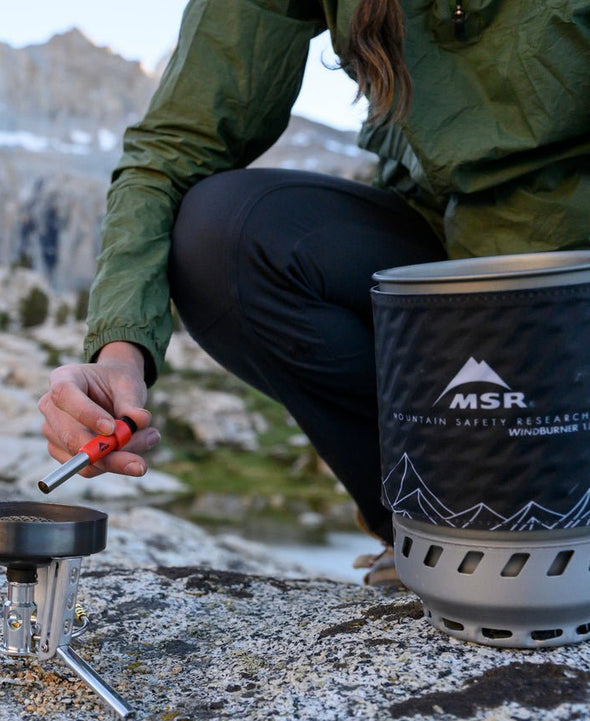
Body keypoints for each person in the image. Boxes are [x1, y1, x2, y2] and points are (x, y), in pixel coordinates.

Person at [38, 0, 590, 585]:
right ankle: (428, 518)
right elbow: (174, 149)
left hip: (573, 266)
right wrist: (119, 353)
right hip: (440, 269)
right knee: (223, 234)